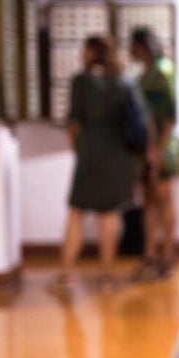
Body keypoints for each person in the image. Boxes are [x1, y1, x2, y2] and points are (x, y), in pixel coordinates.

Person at [57, 36, 136, 290]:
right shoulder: (121, 82)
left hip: (90, 149)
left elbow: (74, 122)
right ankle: (106, 276)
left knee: (77, 211)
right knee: (109, 214)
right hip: (118, 151)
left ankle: (67, 273)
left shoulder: (81, 81)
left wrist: (79, 149)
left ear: (92, 52)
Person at [130, 27, 179, 280]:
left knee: (164, 200)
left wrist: (158, 150)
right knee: (148, 201)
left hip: (162, 148)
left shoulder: (162, 72)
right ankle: (149, 254)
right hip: (146, 147)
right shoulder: (147, 73)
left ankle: (168, 253)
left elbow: (170, 117)